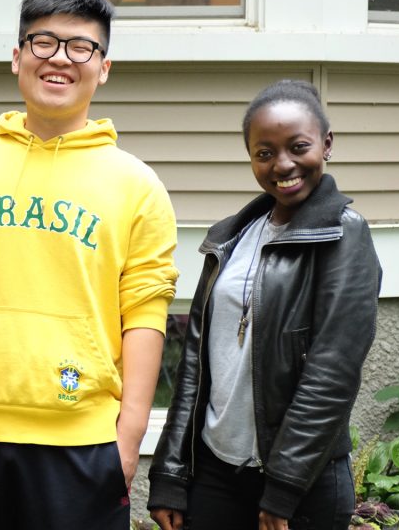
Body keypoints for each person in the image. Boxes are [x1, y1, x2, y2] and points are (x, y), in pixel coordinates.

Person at [0, 0, 179, 530]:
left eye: (81, 47)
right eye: (44, 42)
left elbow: (147, 317)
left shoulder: (138, 186)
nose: (60, 58)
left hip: (82, 439)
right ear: (17, 57)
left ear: (103, 67)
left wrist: (128, 440)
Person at [147, 80, 382, 530]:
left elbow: (331, 376)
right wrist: (171, 473)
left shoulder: (343, 234)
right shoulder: (229, 239)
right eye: (265, 152)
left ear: (326, 145)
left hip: (299, 484)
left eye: (298, 147)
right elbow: (194, 365)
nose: (284, 164)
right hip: (216, 472)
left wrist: (283, 490)